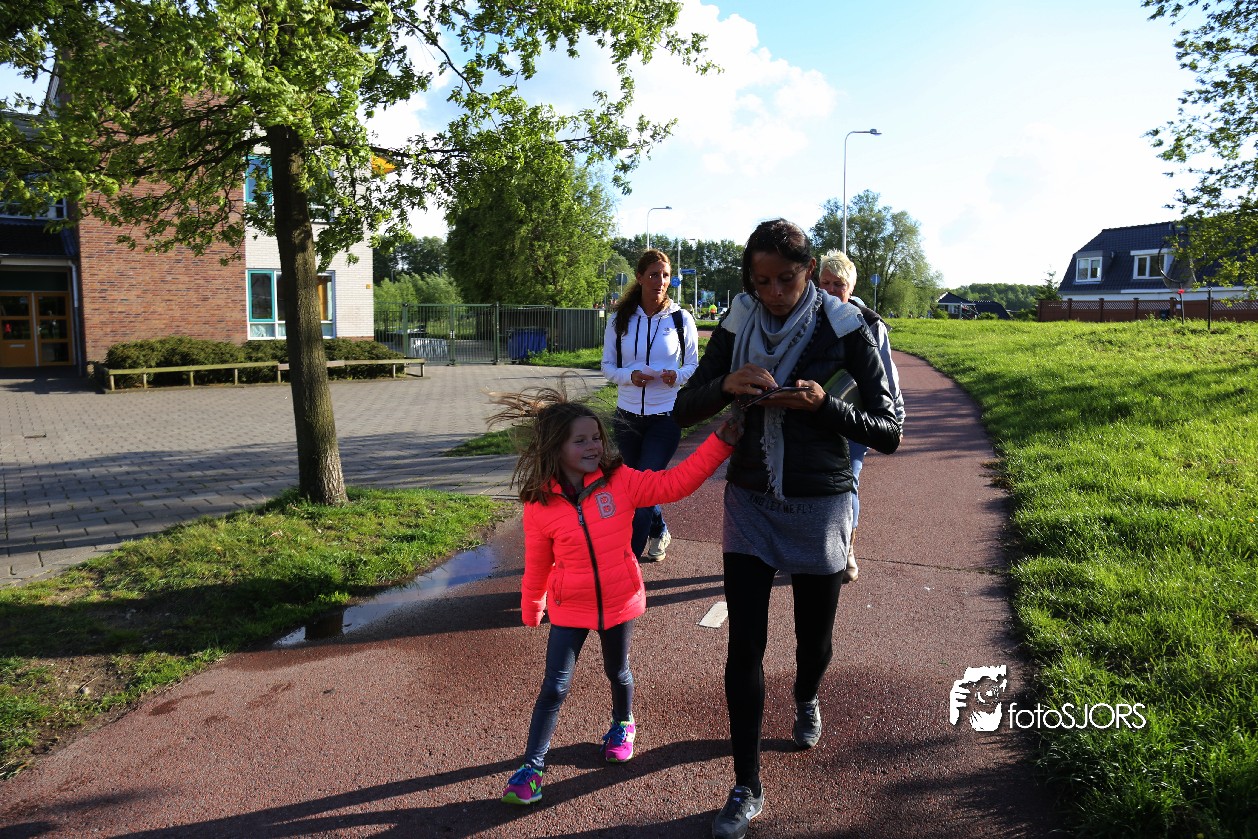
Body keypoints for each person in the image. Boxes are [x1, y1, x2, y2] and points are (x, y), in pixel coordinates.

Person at [672, 219, 902, 839]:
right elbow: (684, 407)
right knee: (744, 646)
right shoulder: (736, 321)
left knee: (812, 643)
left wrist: (824, 407)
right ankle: (745, 785)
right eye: (762, 280)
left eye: (787, 280)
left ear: (810, 274)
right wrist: (725, 385)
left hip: (820, 501)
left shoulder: (848, 326)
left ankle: (806, 695)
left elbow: (889, 431)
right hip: (750, 498)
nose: (773, 293)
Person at [490, 382, 741, 806]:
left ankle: (623, 723)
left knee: (618, 672)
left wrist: (721, 442)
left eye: (596, 437)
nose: (593, 446)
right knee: (554, 686)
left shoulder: (620, 481)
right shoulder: (540, 505)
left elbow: (675, 483)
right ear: (556, 447)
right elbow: (537, 564)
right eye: (581, 440)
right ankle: (531, 767)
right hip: (570, 606)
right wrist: (532, 605)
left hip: (620, 600)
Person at [600, 248, 700, 562]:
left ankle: (626, 565)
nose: (660, 281)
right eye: (654, 274)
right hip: (627, 418)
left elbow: (693, 365)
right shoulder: (619, 320)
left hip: (665, 418)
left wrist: (676, 375)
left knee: (641, 492)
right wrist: (629, 376)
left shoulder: (681, 319)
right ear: (640, 277)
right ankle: (659, 530)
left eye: (665, 275)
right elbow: (607, 367)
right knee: (637, 487)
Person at [816, 249, 906, 582]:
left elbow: (887, 375)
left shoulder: (869, 323)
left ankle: (847, 549)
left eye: (838, 284)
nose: (829, 290)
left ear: (851, 288)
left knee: (847, 484)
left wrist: (896, 418)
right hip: (814, 415)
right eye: (824, 282)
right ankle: (810, 545)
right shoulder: (805, 316)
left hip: (855, 418)